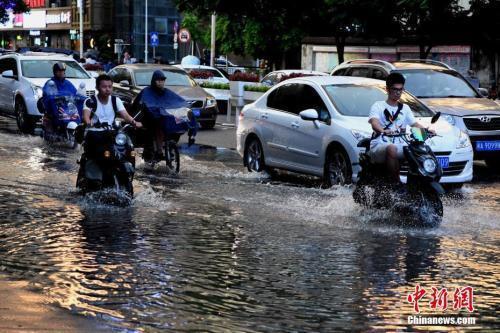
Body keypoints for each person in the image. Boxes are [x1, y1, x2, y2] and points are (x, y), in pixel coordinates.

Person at [368, 72, 433, 183]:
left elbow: (414, 124)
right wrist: (383, 130)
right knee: (392, 148)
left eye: (400, 89)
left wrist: (427, 131)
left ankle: (418, 182)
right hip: (380, 144)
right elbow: (374, 122)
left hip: (401, 143)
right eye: (395, 89)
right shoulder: (378, 106)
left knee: (420, 149)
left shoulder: (405, 108)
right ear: (387, 89)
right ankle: (396, 183)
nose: (398, 93)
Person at [131, 70, 194, 158]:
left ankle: (171, 147)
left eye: (162, 80)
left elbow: (177, 101)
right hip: (148, 119)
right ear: (154, 81)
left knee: (179, 123)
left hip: (164, 117)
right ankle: (158, 151)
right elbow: (137, 104)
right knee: (157, 127)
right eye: (158, 80)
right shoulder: (146, 91)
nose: (161, 82)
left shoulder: (166, 92)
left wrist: (186, 106)